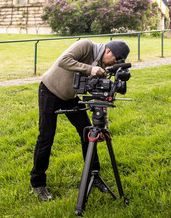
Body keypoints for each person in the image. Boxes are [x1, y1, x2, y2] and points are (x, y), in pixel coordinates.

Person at [30, 39, 131, 201]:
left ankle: (94, 175)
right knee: (46, 137)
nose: (113, 64)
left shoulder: (102, 65)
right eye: (116, 61)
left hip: (71, 96)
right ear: (108, 52)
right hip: (50, 90)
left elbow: (101, 98)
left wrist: (103, 125)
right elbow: (63, 61)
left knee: (89, 132)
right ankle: (38, 183)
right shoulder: (85, 46)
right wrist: (90, 69)